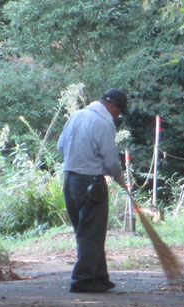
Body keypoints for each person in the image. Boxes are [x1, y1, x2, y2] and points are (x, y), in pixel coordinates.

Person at [57, 89, 128, 293]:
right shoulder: (104, 123)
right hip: (91, 183)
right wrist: (120, 180)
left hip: (70, 180)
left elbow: (61, 147)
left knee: (86, 231)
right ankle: (82, 280)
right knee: (92, 234)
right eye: (119, 113)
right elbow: (111, 160)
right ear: (113, 106)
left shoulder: (75, 116)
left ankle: (99, 276)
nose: (118, 117)